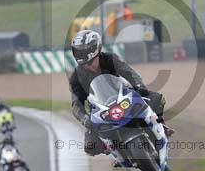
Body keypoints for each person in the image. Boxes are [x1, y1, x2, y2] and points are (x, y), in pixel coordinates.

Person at [68, 29, 172, 157]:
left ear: (95, 50)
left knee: (156, 99)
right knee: (91, 146)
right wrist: (85, 119)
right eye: (77, 50)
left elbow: (129, 72)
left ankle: (161, 127)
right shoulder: (76, 77)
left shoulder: (110, 59)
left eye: (90, 61)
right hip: (100, 110)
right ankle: (114, 151)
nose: (87, 66)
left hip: (123, 96)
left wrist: (139, 86)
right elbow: (75, 104)